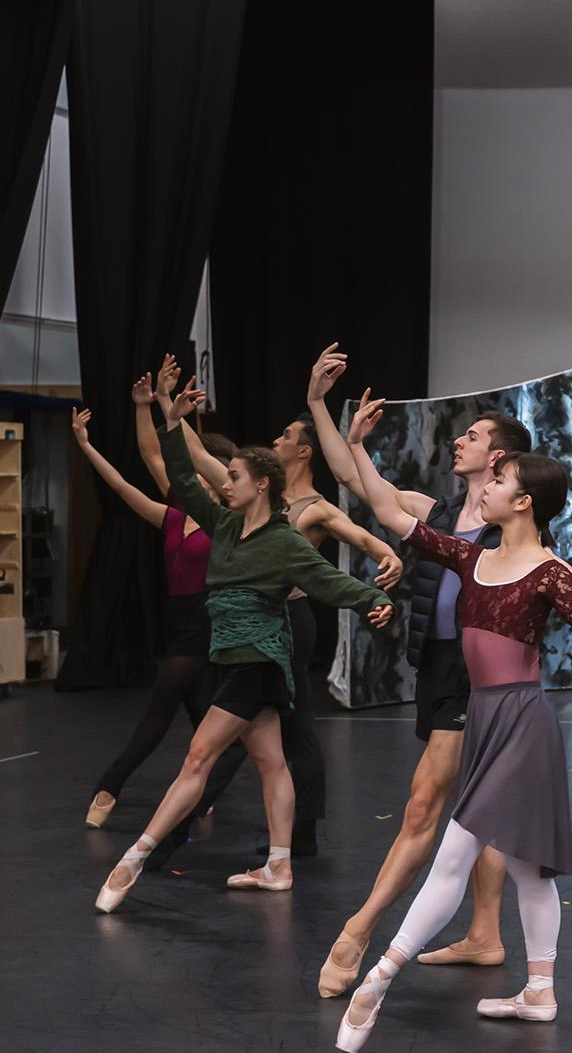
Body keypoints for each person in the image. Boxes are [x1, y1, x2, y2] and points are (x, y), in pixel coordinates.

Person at [334, 389, 572, 1053]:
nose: (487, 488)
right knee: (530, 870)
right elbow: (391, 511)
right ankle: (539, 990)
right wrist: (360, 447)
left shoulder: (548, 572)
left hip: (522, 724)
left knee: (454, 856)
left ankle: (380, 976)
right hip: (482, 720)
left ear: (523, 501)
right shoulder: (467, 555)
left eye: (500, 480)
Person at [300, 345, 572, 997]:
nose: (458, 440)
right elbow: (358, 479)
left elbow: (566, 579)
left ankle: (362, 933)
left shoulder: (510, 529)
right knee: (484, 810)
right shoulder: (438, 514)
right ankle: (485, 934)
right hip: (437, 668)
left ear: (501, 462)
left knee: (433, 807)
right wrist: (319, 403)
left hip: (479, 680)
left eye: (474, 435)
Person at [94, 377, 395, 913]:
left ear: (261, 485)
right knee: (271, 763)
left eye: (233, 476)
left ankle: (135, 858)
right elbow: (184, 479)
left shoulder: (285, 541)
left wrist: (374, 597)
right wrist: (169, 419)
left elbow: (330, 582)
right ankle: (279, 865)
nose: (224, 482)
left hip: (258, 662)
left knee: (197, 758)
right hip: (234, 658)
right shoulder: (225, 525)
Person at [152, 352, 403, 857]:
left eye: (286, 437)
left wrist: (386, 552)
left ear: (304, 452)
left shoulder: (314, 508)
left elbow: (357, 537)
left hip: (289, 619)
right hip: (248, 620)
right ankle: (263, 840)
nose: (276, 441)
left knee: (282, 728)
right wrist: (165, 407)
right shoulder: (248, 495)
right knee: (259, 735)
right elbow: (196, 462)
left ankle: (268, 832)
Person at [72, 393, 231, 828]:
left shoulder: (226, 523)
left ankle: (109, 786)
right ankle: (206, 792)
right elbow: (125, 484)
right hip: (176, 620)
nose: (193, 479)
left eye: (203, 475)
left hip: (206, 621)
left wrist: (167, 406)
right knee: (201, 709)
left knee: (160, 709)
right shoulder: (174, 516)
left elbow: (183, 452)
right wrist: (87, 445)